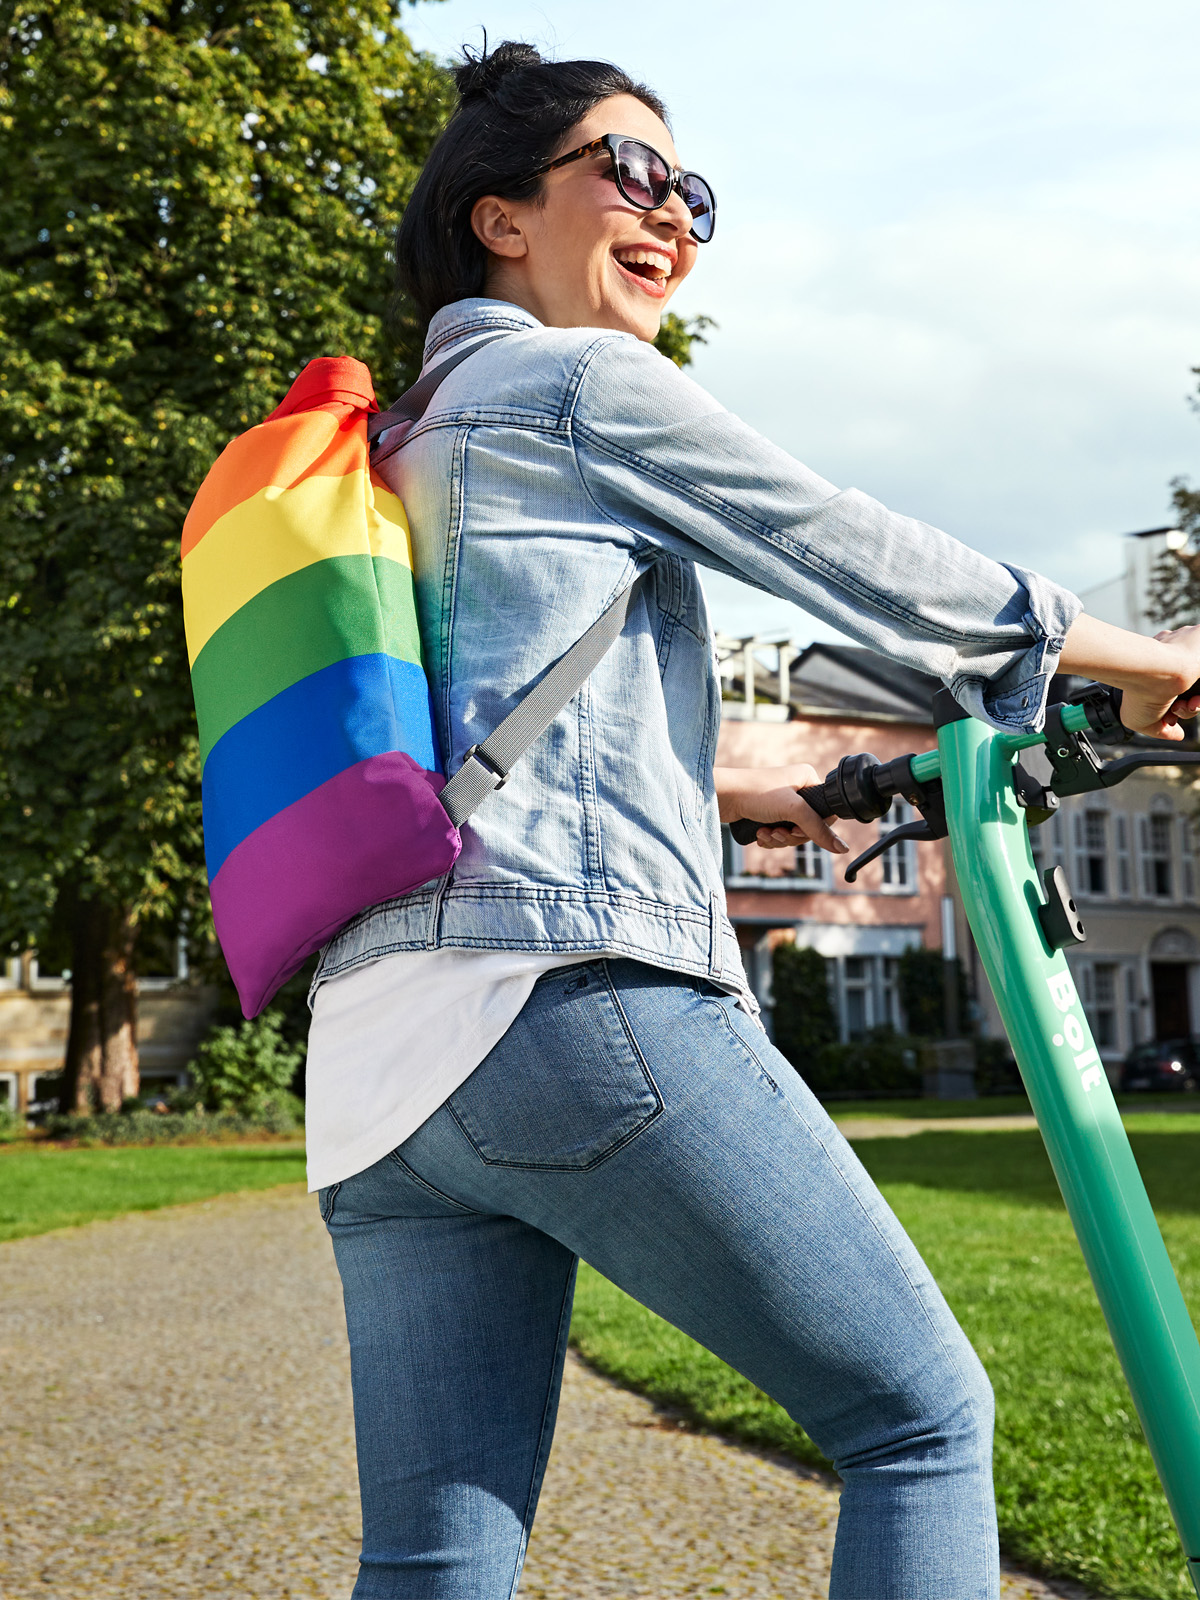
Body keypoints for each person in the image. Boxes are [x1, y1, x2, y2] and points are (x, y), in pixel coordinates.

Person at [304, 42, 1200, 1600]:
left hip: (381, 1081)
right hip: (567, 1002)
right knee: (917, 1421)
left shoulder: (401, 443)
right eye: (629, 171)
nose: (674, 215)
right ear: (499, 217)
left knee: (436, 1556)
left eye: (695, 193)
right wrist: (1143, 659)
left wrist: (755, 791)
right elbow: (855, 553)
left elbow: (471, 740)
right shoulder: (573, 380)